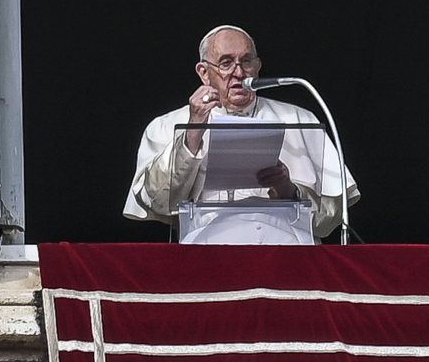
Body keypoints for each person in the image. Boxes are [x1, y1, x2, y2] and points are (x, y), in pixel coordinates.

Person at [123, 25, 360, 240]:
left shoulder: (299, 119)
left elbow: (331, 216)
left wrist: (288, 190)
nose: (239, 73)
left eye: (246, 62)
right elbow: (158, 201)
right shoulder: (167, 124)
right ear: (204, 72)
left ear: (257, 67)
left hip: (286, 252)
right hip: (206, 252)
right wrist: (193, 131)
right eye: (226, 63)